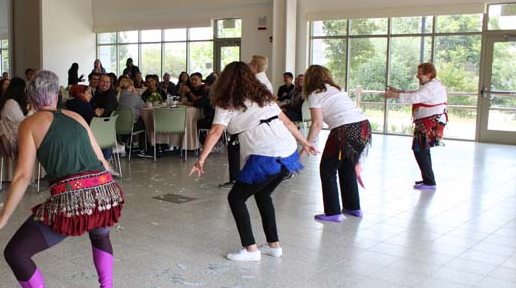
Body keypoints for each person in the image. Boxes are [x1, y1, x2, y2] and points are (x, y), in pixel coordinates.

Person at [0, 70, 124, 288]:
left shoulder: (30, 124)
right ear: (57, 95)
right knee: (100, 232)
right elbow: (102, 162)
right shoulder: (76, 116)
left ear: (31, 99)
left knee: (16, 253)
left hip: (74, 198)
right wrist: (103, 193)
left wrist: (4, 216)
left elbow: (23, 175)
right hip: (105, 192)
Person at [190, 62, 316, 261]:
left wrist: (201, 159)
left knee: (236, 198)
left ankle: (250, 250)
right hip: (287, 151)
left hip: (266, 155)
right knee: (263, 194)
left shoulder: (228, 101)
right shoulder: (264, 96)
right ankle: (274, 246)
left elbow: (215, 131)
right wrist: (304, 143)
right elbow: (288, 122)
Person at [303, 64, 371, 222]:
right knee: (347, 167)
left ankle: (333, 212)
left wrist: (306, 144)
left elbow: (317, 124)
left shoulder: (315, 94)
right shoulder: (337, 89)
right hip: (363, 127)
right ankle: (353, 207)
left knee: (327, 169)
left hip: (344, 130)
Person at [383, 62, 447, 190]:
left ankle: (429, 181)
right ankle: (428, 179)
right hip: (427, 122)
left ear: (429, 74)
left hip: (428, 123)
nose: (417, 76)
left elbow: (416, 97)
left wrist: (395, 95)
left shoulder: (431, 87)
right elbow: (417, 93)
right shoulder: (431, 85)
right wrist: (399, 91)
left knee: (420, 149)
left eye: (420, 73)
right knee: (422, 149)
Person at [0, 77, 30, 155]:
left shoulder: (10, 102)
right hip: (14, 141)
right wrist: (32, 111)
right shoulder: (11, 104)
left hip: (13, 136)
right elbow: (23, 123)